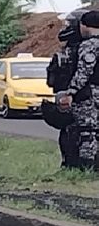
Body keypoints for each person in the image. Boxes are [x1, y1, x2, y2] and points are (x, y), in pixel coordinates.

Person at [45, 9, 86, 168]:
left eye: (69, 24)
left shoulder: (86, 49)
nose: (65, 27)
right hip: (67, 98)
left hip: (83, 100)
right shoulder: (68, 50)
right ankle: (69, 164)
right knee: (68, 132)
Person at [59, 10, 99, 170]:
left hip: (91, 94)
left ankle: (87, 167)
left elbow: (84, 71)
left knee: (87, 131)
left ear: (85, 25)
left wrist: (71, 92)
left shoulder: (89, 45)